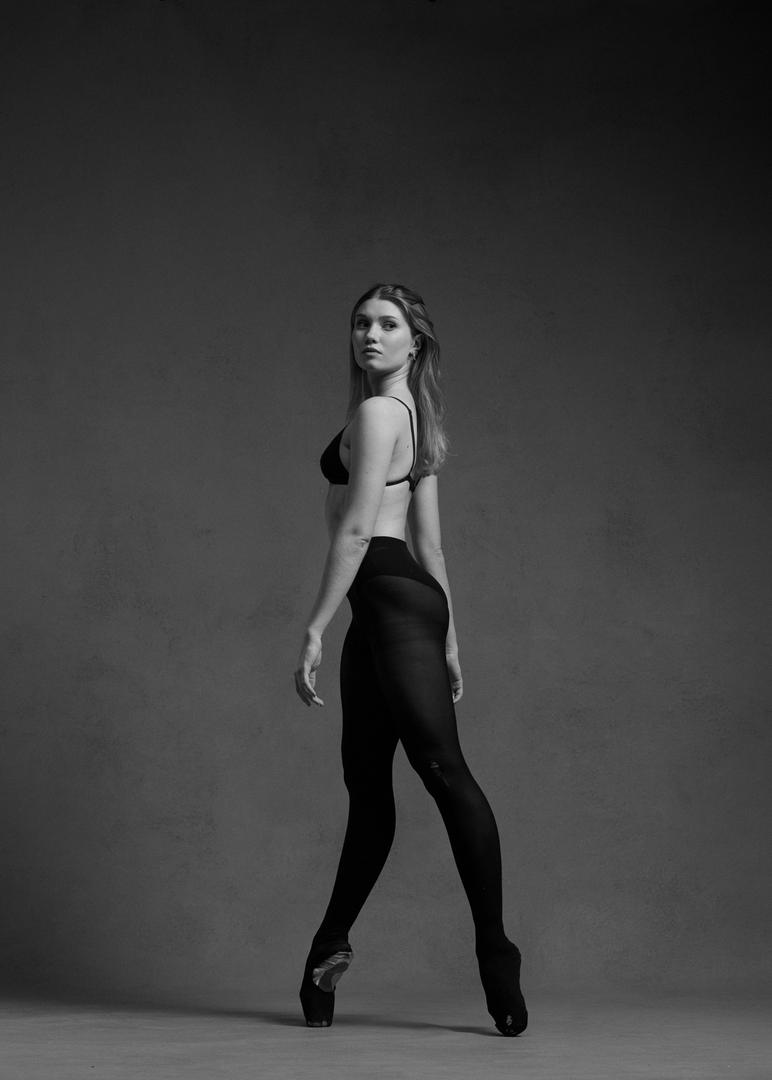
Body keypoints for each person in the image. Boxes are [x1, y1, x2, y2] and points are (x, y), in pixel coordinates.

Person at [293, 283, 527, 1036]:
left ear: (414, 342)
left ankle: (496, 953)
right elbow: (433, 545)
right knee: (369, 794)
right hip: (391, 610)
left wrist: (315, 627)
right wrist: (450, 636)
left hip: (389, 605)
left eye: (388, 324)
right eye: (361, 323)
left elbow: (360, 531)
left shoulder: (379, 414)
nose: (370, 334)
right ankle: (328, 948)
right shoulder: (411, 416)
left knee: (442, 772)